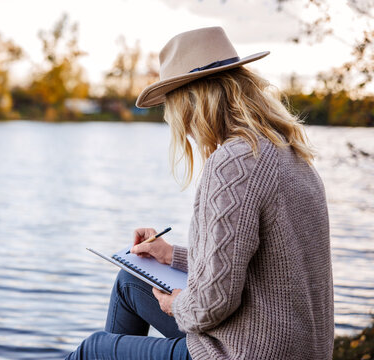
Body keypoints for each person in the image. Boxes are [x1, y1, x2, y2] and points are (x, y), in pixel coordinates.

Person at [65, 26, 334, 360]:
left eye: (171, 105)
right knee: (129, 283)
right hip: (296, 347)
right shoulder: (290, 154)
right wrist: (168, 255)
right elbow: (249, 266)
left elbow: (210, 306)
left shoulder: (233, 161)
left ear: (192, 101)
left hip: (247, 352)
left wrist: (176, 304)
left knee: (94, 349)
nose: (175, 120)